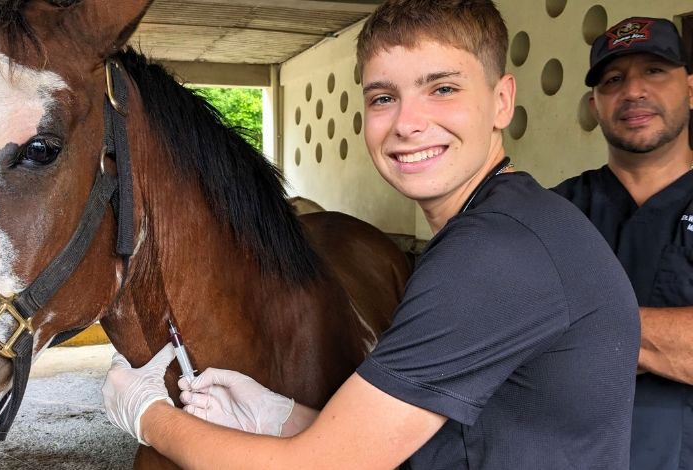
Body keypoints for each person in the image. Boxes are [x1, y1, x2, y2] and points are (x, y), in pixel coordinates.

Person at [103, 1, 641, 468]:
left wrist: (149, 416)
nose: (407, 123)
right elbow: (409, 445)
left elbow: (321, 467)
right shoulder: (501, 222)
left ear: (502, 101)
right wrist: (281, 415)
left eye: (443, 88)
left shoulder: (493, 256)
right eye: (384, 97)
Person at [552, 16, 693, 470]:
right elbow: (504, 334)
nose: (633, 91)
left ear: (691, 89)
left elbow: (535, 331)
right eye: (613, 79)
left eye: (654, 71)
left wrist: (575, 330)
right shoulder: (549, 214)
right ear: (594, 105)